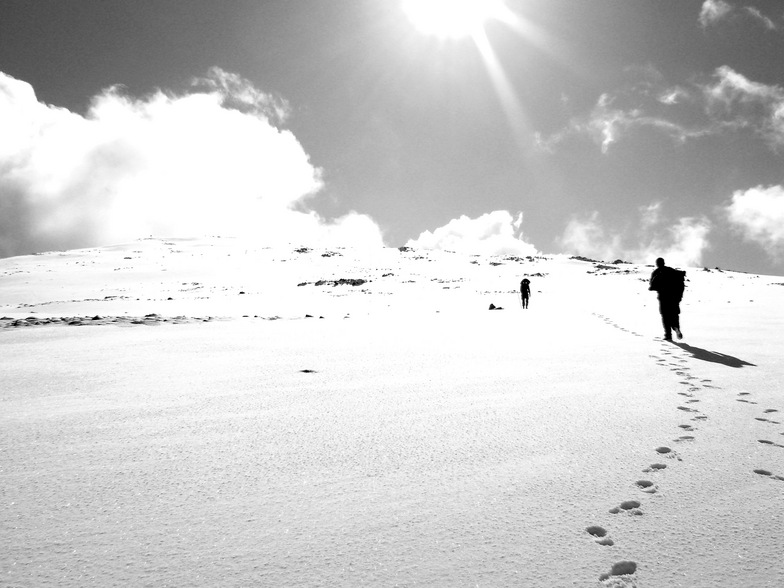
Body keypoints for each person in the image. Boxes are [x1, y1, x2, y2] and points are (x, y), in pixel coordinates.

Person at [648, 258, 684, 341]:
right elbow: (680, 283)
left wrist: (656, 288)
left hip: (663, 297)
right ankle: (676, 328)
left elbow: (652, 285)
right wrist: (679, 298)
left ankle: (668, 335)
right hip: (674, 298)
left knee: (665, 316)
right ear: (664, 263)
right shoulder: (671, 271)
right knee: (674, 314)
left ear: (657, 264)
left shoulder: (656, 272)